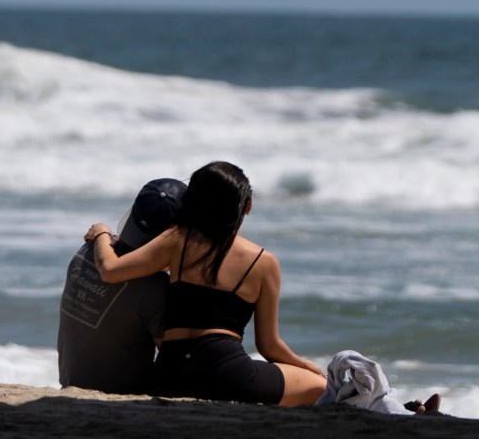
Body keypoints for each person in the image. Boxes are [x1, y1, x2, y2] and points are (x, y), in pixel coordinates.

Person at [83, 160, 327, 407]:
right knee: (322, 387)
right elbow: (269, 347)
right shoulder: (264, 262)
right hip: (226, 374)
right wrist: (305, 365)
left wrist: (102, 233)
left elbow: (110, 270)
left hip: (170, 376)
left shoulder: (178, 239)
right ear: (248, 206)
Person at [57, 177, 185, 393]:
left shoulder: (87, 251)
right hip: (122, 393)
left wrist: (102, 234)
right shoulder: (154, 287)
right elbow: (173, 360)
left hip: (70, 382)